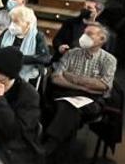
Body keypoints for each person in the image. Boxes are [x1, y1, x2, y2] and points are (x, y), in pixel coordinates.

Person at [42, 23, 117, 154]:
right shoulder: (71, 53)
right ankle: (56, 151)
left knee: (66, 108)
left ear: (102, 40)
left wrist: (70, 76)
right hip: (67, 93)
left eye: (89, 34)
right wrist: (84, 85)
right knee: (70, 109)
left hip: (92, 99)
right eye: (84, 33)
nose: (84, 37)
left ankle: (50, 145)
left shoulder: (109, 60)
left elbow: (103, 86)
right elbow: (56, 77)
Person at [0, 6, 51, 81]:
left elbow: (45, 58)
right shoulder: (7, 32)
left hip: (27, 74)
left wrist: (20, 59)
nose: (11, 25)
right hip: (4, 70)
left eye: (16, 22)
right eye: (11, 21)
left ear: (27, 24)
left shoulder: (37, 36)